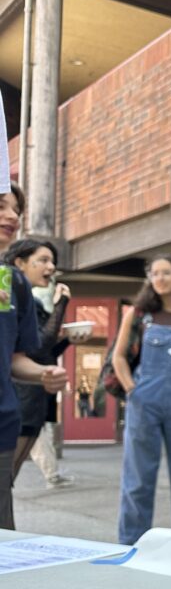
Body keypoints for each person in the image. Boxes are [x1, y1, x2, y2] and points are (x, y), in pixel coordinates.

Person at [113, 255, 171, 544]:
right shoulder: (139, 314)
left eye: (166, 272)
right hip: (143, 402)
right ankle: (131, 544)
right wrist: (131, 389)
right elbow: (119, 356)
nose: (159, 278)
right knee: (137, 481)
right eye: (154, 273)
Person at [1, 186, 70, 528]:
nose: (13, 216)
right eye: (1, 206)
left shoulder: (13, 283)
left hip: (4, 421)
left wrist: (43, 373)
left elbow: (15, 356)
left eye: (16, 209)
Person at [4, 237, 86, 485]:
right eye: (42, 260)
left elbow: (41, 350)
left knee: (7, 482)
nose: (50, 267)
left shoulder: (33, 301)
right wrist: (61, 305)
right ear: (20, 263)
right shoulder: (12, 296)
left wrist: (71, 340)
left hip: (36, 395)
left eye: (52, 261)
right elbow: (37, 346)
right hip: (21, 394)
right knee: (5, 481)